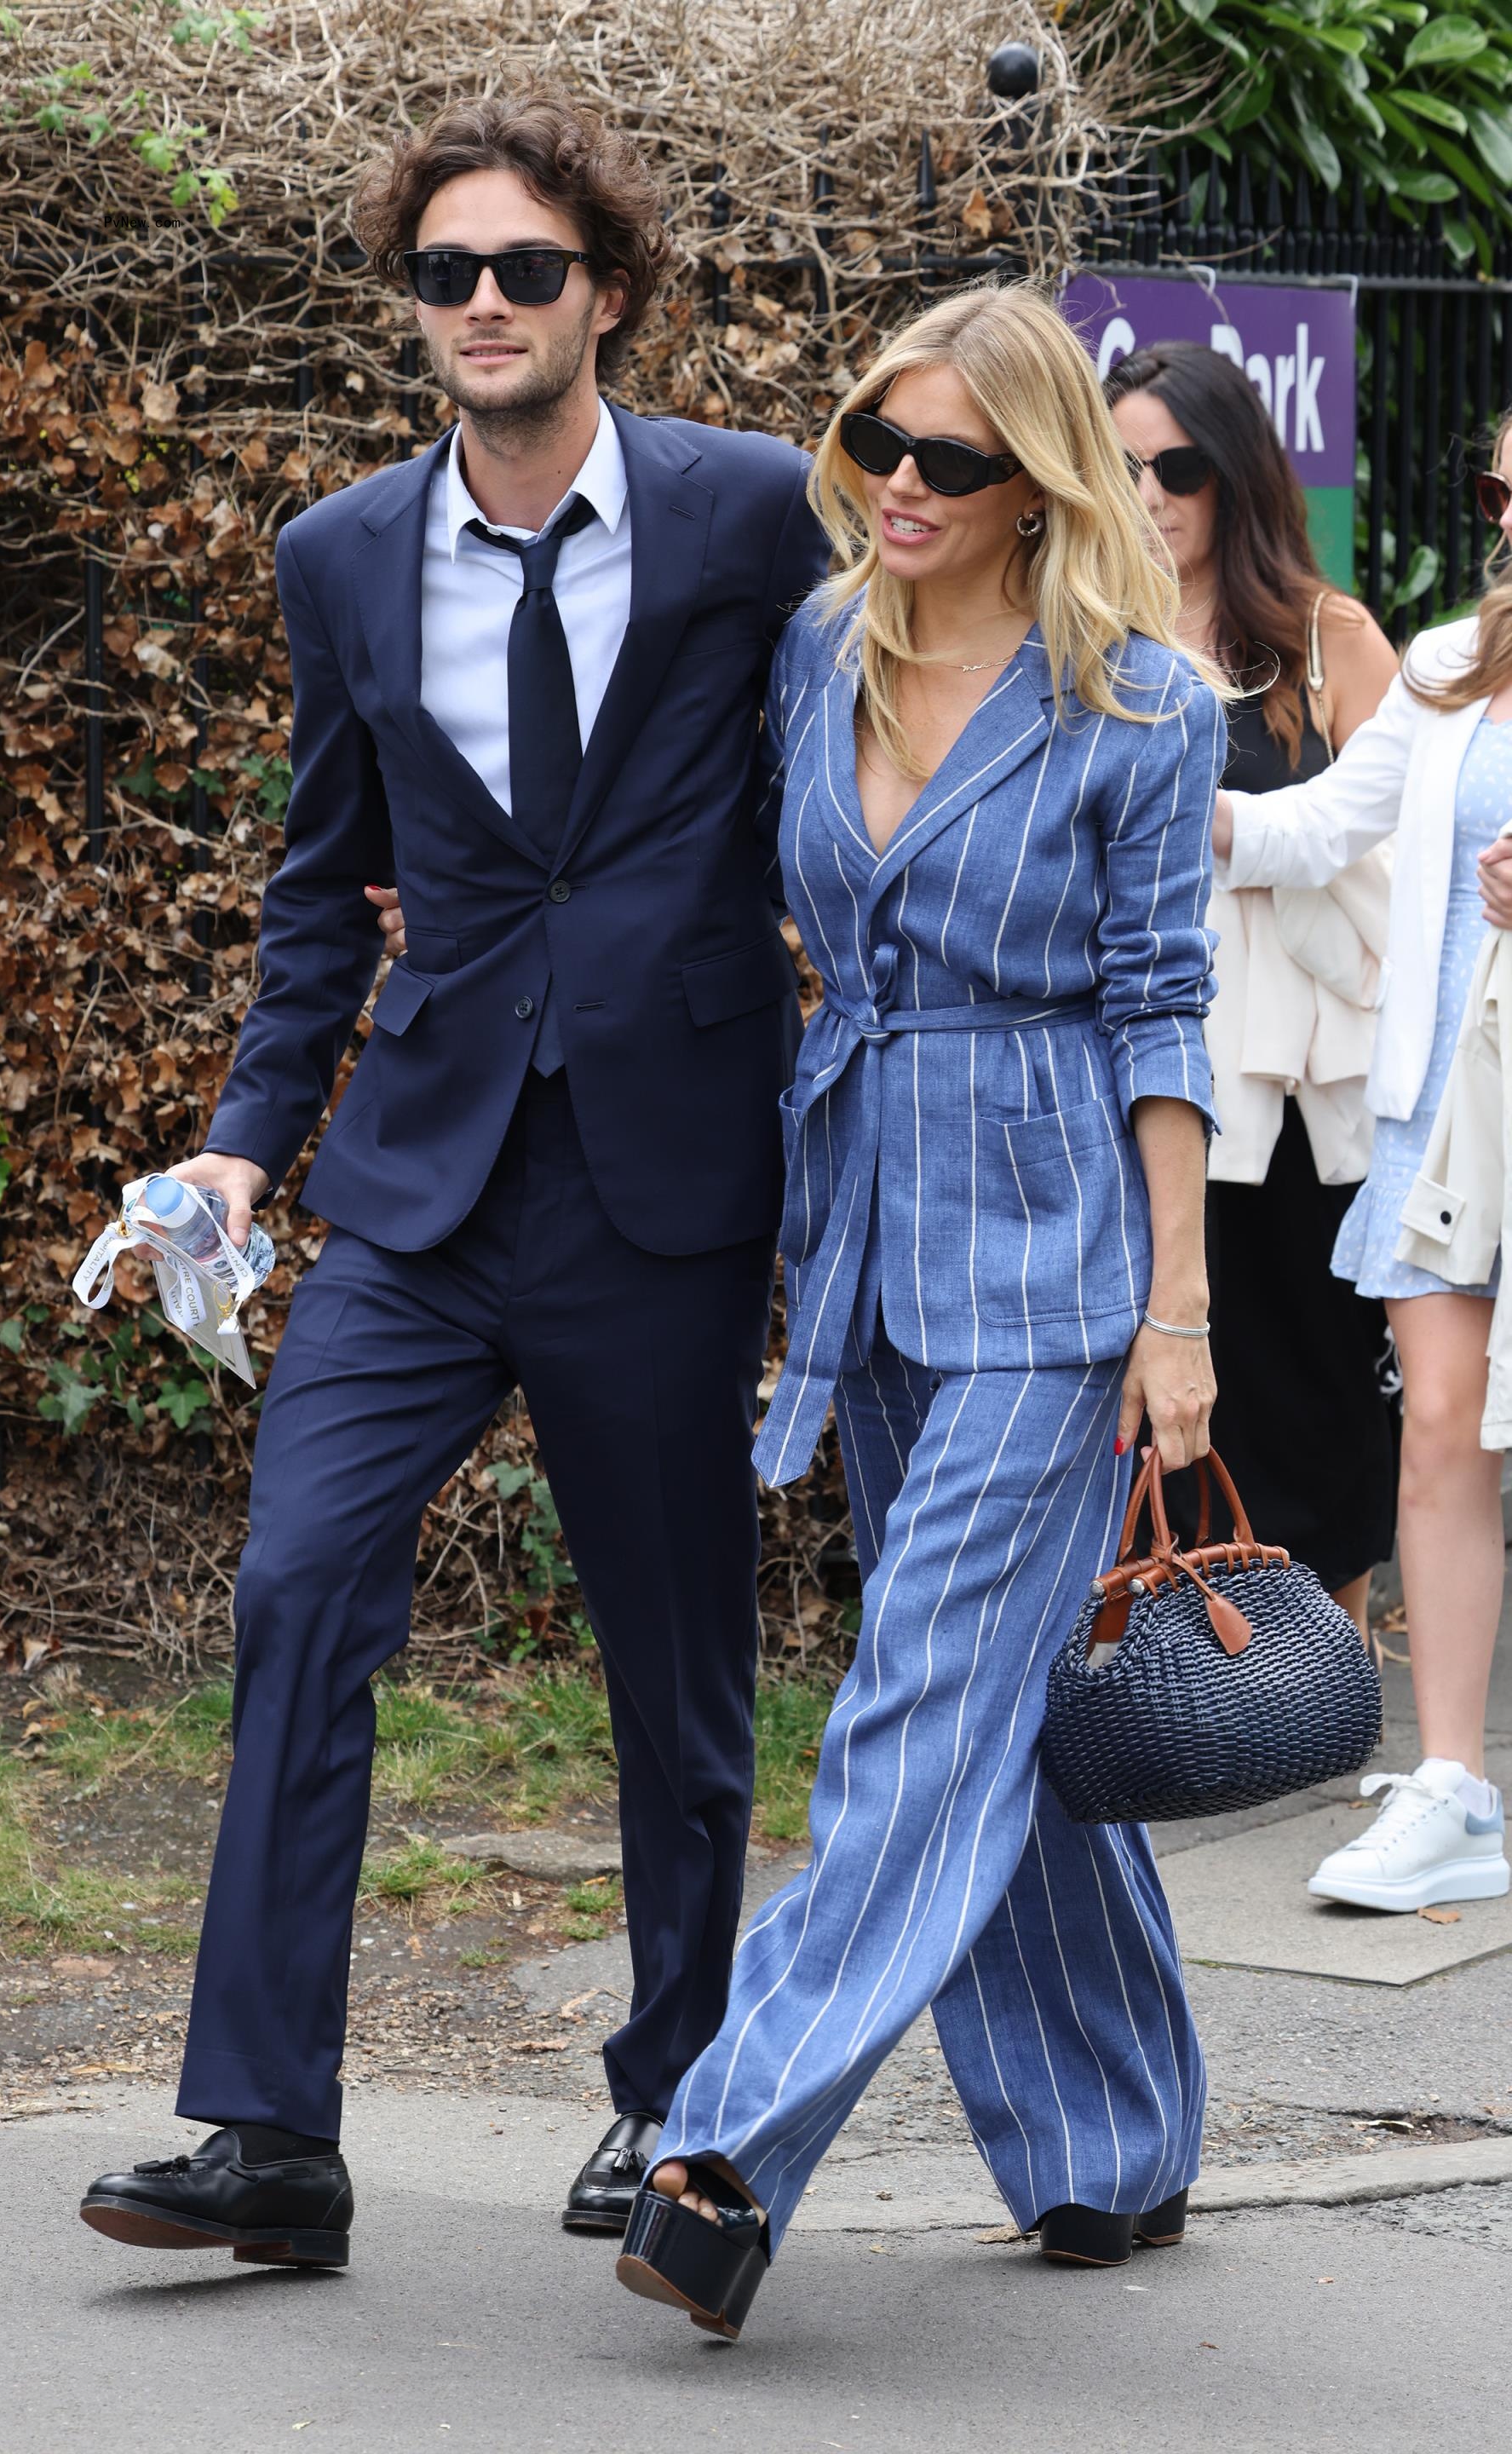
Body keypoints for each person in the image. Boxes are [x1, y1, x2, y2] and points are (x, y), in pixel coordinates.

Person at [78, 86, 825, 2269]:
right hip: (415, 1185)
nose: (482, 306)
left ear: (607, 291)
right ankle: (269, 2136)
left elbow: (849, 780)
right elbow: (329, 885)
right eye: (444, 274)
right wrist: (238, 1151)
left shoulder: (746, 515)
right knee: (298, 1588)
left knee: (674, 1667)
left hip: (662, 1187)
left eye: (524, 270)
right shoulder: (341, 554)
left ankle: (676, 2097)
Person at [611, 282, 1226, 2342]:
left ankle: (724, 2143)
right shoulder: (816, 649)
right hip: (861, 1236)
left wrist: (1181, 1310)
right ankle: (1107, 2146)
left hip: (1059, 1264)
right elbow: (725, 889)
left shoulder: (1146, 701)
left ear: (1040, 482)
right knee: (993, 1723)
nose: (899, 484)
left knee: (914, 1711)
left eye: (952, 459)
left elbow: (1162, 1014)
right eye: (881, 438)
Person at [1209, 418, 1512, 1915]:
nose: (1510, 518)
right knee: (1442, 1429)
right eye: (1498, 491)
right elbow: (1323, 823)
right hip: (1449, 1107)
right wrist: (1159, 806)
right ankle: (1453, 1784)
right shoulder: (1455, 662)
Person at [1105, 342, 1401, 1638]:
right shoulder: (1080, 634)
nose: (1153, 493)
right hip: (1148, 1069)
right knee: (1169, 1384)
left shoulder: (1326, 642)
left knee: (1316, 1382)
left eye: (1179, 466)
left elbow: (1408, 853)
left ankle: (1318, 1678)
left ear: (1234, 478)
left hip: (1307, 1086)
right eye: (1123, 468)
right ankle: (1179, 1670)